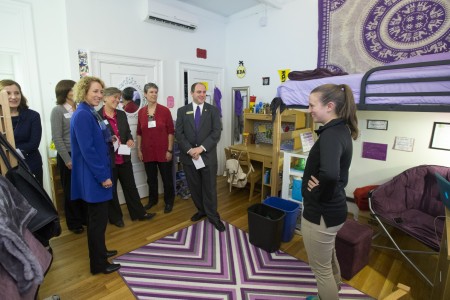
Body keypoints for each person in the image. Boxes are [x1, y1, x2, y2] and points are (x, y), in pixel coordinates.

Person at [301, 84, 359, 300]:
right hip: (334, 212)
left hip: (322, 214)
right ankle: (333, 290)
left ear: (330, 106)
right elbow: (333, 174)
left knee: (320, 270)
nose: (309, 110)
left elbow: (330, 174)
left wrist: (317, 195)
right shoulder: (340, 129)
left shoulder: (331, 135)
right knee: (328, 256)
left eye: (312, 105)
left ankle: (328, 294)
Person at [70, 76, 120, 275]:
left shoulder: (89, 112)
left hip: (97, 174)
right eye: (95, 91)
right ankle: (98, 265)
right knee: (97, 222)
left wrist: (110, 138)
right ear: (84, 92)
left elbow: (98, 137)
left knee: (99, 220)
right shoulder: (82, 114)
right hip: (94, 178)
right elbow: (87, 150)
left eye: (101, 91)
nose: (99, 95)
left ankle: (102, 252)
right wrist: (102, 176)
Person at [98, 87, 156, 227]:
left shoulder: (121, 114)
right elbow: (95, 139)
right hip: (108, 160)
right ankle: (116, 218)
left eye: (119, 98)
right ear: (105, 98)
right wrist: (107, 140)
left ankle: (139, 213)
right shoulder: (97, 116)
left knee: (130, 187)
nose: (118, 100)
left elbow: (127, 132)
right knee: (111, 191)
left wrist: (130, 139)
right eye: (115, 97)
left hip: (124, 157)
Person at [175, 82, 224, 232]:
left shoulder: (213, 111)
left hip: (207, 156)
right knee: (195, 188)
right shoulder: (182, 111)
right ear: (192, 93)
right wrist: (190, 150)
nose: (202, 95)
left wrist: (200, 149)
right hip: (189, 157)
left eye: (204, 92)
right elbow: (179, 133)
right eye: (199, 92)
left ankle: (213, 216)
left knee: (209, 188)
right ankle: (201, 211)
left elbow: (216, 132)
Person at [50, 79, 87, 234]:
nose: (76, 92)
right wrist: (67, 159)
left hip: (82, 155)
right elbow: (57, 138)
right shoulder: (58, 110)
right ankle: (73, 222)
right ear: (64, 92)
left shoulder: (80, 108)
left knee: (83, 188)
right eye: (73, 89)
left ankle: (84, 218)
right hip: (69, 156)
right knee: (71, 190)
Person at [137, 83, 175, 214]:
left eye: (155, 92)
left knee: (167, 179)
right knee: (151, 179)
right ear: (145, 94)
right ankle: (153, 200)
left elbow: (171, 131)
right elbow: (139, 133)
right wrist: (139, 149)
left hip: (164, 151)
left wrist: (169, 150)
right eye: (151, 92)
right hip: (148, 152)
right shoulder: (141, 112)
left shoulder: (165, 111)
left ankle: (169, 201)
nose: (154, 94)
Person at [0, 79, 43, 185]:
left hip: (30, 165)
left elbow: (34, 144)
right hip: (4, 167)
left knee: (34, 200)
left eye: (17, 93)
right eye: (8, 93)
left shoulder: (33, 116)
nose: (14, 97)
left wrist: (12, 153)